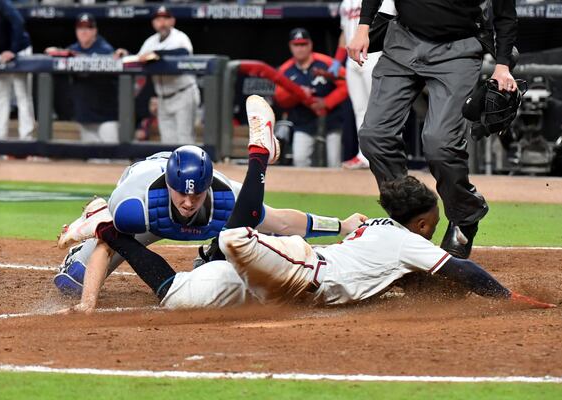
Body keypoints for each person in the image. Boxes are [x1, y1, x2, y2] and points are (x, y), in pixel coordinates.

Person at [57, 95, 366, 312]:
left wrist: (342, 225)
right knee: (72, 282)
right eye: (182, 193)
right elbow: (107, 245)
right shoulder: (136, 206)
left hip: (182, 205)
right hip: (140, 193)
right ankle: (94, 212)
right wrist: (87, 304)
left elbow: (283, 222)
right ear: (169, 185)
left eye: (197, 194)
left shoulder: (225, 197)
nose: (189, 202)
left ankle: (209, 255)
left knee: (259, 240)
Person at [218, 174, 555, 310]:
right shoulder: (405, 241)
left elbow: (425, 290)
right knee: (234, 238)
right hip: (303, 268)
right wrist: (510, 297)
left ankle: (213, 261)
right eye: (433, 224)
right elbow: (462, 269)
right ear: (421, 224)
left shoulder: (380, 228)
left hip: (301, 274)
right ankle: (258, 157)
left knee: (220, 281)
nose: (431, 230)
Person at [346, 0, 519, 259]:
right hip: (403, 40)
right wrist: (363, 26)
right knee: (374, 136)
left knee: (439, 144)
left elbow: (505, 15)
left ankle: (465, 212)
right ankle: (412, 215)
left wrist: (503, 66)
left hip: (458, 48)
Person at [116, 6, 199, 144]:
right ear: (153, 23)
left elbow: (183, 53)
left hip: (183, 94)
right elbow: (140, 59)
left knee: (185, 141)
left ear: (172, 21)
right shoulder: (151, 42)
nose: (162, 23)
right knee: (167, 142)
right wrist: (127, 55)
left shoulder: (180, 38)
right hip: (162, 98)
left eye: (166, 19)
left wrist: (157, 55)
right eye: (158, 19)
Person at [333, 0, 397, 169]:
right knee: (360, 109)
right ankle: (364, 155)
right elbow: (344, 33)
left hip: (374, 54)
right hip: (351, 59)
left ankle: (385, 154)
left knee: (379, 109)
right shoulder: (345, 3)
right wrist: (337, 61)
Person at [274, 28, 348, 168]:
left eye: (303, 44)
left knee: (334, 163)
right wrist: (298, 94)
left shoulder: (326, 62)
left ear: (310, 45)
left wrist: (327, 102)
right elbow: (280, 98)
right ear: (290, 46)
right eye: (296, 45)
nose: (300, 49)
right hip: (303, 122)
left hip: (330, 121)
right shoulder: (285, 70)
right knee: (300, 160)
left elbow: (347, 83)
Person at [45, 13, 119, 143]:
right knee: (93, 160)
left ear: (95, 30)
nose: (84, 31)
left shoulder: (105, 49)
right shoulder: (73, 49)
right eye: (80, 28)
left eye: (88, 28)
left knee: (115, 159)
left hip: (107, 116)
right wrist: (55, 52)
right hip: (85, 116)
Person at [0, 0, 35, 140]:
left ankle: (26, 139)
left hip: (19, 50)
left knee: (22, 95)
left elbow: (18, 21)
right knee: (1, 97)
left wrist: (12, 50)